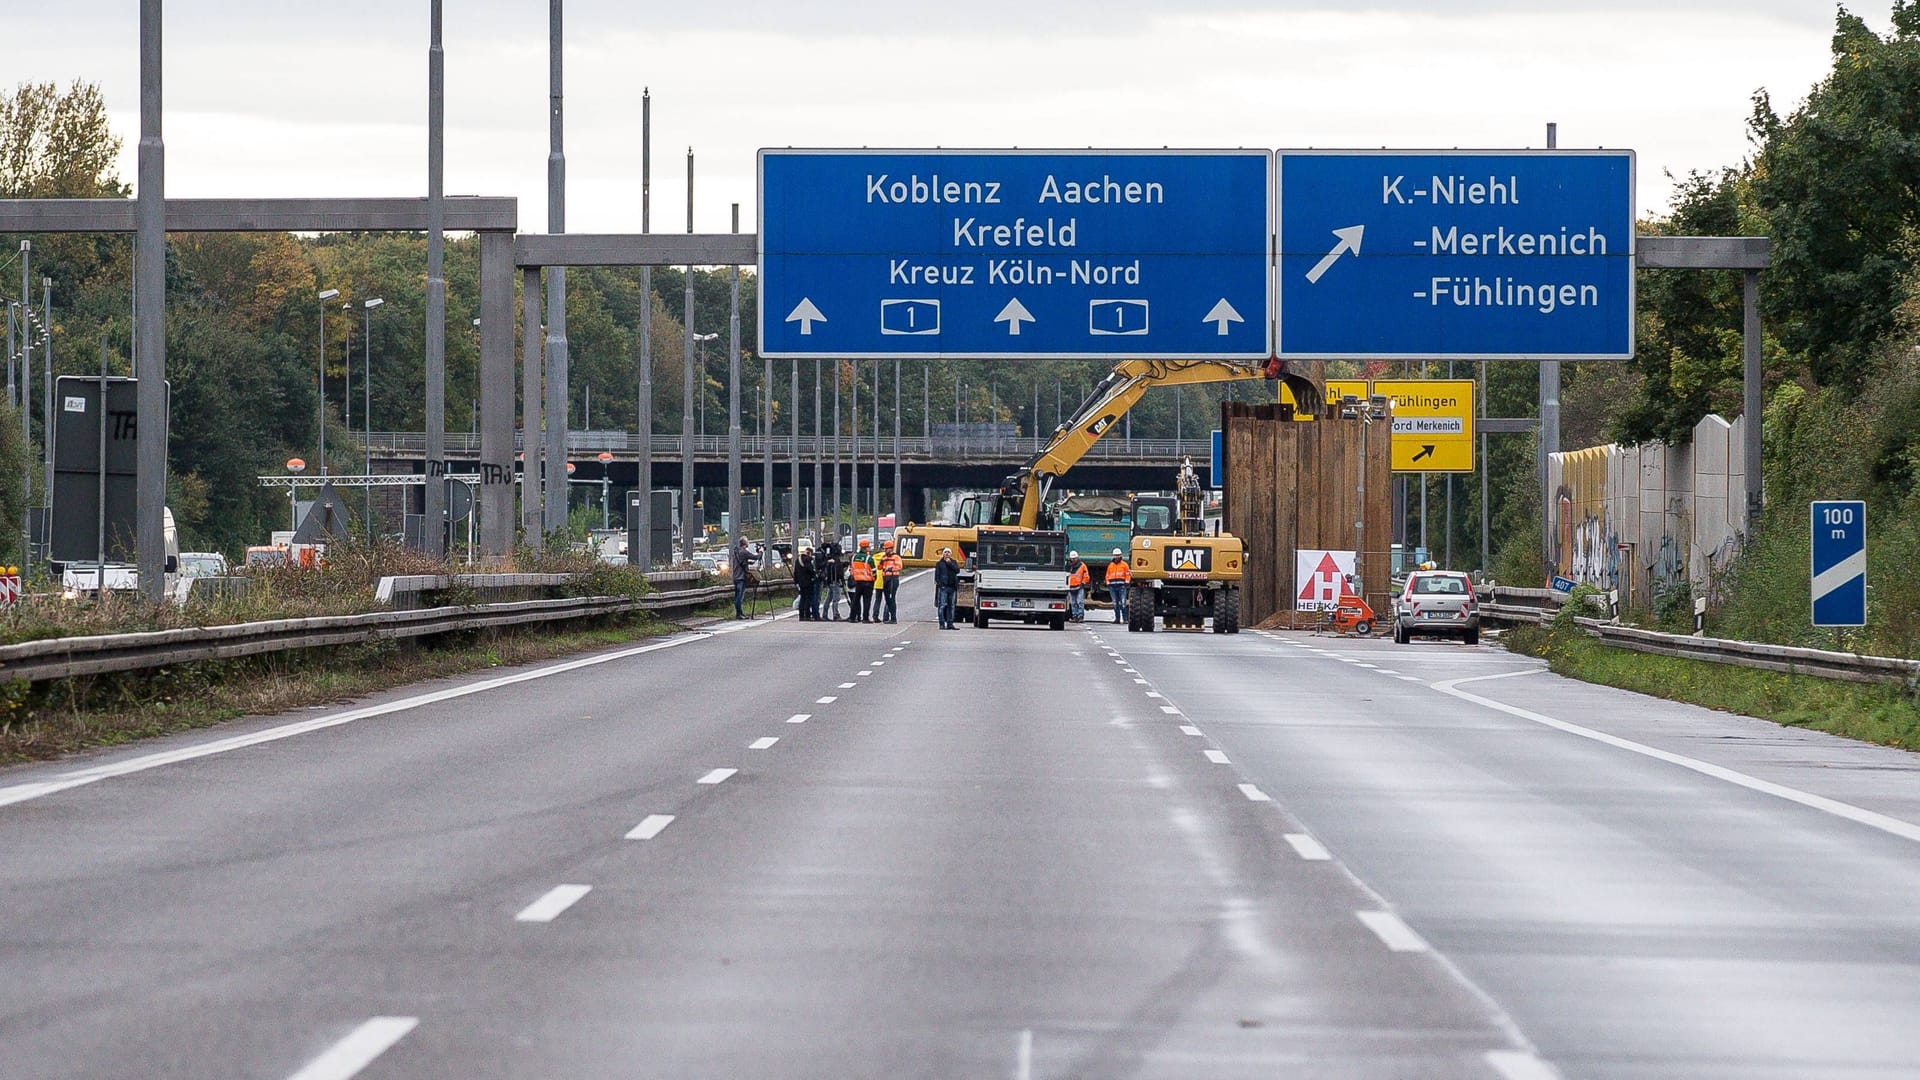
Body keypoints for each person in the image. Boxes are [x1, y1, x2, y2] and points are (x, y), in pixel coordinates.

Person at [848, 538, 876, 623]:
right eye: (868, 547)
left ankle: (852, 617)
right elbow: (874, 571)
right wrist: (874, 579)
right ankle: (865, 618)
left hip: (858, 582)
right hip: (868, 582)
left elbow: (851, 569)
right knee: (866, 601)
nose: (870, 548)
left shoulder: (854, 557)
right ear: (865, 548)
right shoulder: (869, 558)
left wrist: (855, 577)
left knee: (856, 600)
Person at [730, 535, 758, 620]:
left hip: (735, 576)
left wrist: (747, 563)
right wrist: (761, 552)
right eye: (747, 541)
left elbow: (740, 561)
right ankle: (739, 614)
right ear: (745, 543)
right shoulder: (744, 552)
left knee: (737, 596)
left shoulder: (736, 551)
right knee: (740, 597)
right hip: (741, 577)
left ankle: (740, 613)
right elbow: (756, 557)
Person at [818, 536, 845, 621]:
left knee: (828, 598)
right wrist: (842, 580)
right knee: (836, 599)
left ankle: (825, 614)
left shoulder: (828, 559)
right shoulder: (835, 560)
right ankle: (835, 614)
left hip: (830, 581)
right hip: (835, 581)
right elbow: (838, 571)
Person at [933, 546, 960, 629]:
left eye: (948, 552)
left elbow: (957, 570)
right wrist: (940, 584)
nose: (947, 553)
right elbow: (937, 576)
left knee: (951, 606)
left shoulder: (954, 562)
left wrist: (950, 563)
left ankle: (950, 623)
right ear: (943, 554)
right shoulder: (939, 564)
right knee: (942, 605)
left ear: (951, 554)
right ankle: (941, 623)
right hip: (944, 587)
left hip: (952, 587)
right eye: (945, 552)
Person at [879, 540, 904, 624]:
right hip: (886, 578)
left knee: (891, 598)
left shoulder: (896, 557)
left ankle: (893, 618)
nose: (885, 551)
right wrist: (881, 562)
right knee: (887, 598)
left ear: (891, 549)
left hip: (893, 578)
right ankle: (888, 617)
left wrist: (890, 569)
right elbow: (879, 567)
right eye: (885, 549)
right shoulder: (884, 557)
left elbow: (899, 566)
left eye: (887, 549)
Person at [1104, 546, 1131, 624]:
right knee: (1115, 603)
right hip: (1112, 586)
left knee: (1123, 603)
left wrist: (1127, 582)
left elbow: (1128, 574)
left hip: (1122, 586)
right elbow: (1107, 575)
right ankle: (1117, 619)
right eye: (1115, 555)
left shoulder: (1124, 565)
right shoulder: (1110, 565)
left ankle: (1125, 619)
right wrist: (1108, 583)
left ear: (1120, 555)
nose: (1116, 557)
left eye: (1118, 555)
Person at [794, 545, 818, 620]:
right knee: (808, 599)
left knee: (802, 598)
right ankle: (807, 615)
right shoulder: (807, 560)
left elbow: (795, 572)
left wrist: (796, 581)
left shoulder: (798, 560)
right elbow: (810, 570)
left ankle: (801, 615)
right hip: (808, 582)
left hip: (801, 582)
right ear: (809, 553)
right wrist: (814, 575)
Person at [1066, 549, 1089, 622]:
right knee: (1073, 603)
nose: (1073, 560)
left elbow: (1086, 576)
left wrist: (1083, 583)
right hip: (1071, 587)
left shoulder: (1082, 566)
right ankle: (1075, 616)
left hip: (1079, 587)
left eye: (1074, 558)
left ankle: (1080, 616)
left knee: (1079, 602)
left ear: (1077, 558)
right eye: (1072, 559)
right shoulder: (1069, 566)